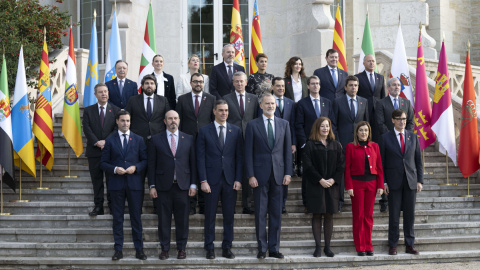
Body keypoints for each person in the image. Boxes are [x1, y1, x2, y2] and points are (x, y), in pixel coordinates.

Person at [244, 93, 292, 259]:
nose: (270, 106)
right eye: (267, 103)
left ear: (275, 105)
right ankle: (262, 248)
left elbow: (287, 151)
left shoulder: (284, 124)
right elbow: (248, 152)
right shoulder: (252, 125)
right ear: (261, 105)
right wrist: (250, 175)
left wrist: (288, 172)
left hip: (278, 176)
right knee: (260, 214)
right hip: (259, 176)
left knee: (276, 214)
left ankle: (274, 248)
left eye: (273, 103)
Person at [197, 100, 243, 260]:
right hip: (210, 181)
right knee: (209, 216)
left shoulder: (236, 131)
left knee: (229, 216)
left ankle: (227, 247)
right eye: (221, 110)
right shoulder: (204, 131)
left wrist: (238, 178)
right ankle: (209, 247)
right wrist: (203, 180)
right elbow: (200, 158)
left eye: (226, 110)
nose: (224, 113)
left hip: (230, 180)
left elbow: (239, 157)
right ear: (214, 111)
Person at [148, 110, 197, 260]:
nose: (173, 121)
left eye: (175, 118)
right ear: (165, 121)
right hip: (163, 187)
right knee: (163, 220)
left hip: (182, 186)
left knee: (183, 220)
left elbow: (193, 164)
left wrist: (193, 184)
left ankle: (181, 248)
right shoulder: (156, 139)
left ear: (179, 120)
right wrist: (152, 185)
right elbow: (151, 165)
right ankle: (165, 249)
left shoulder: (188, 139)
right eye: (170, 118)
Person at [100, 110, 147, 261]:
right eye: (122, 121)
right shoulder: (110, 140)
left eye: (127, 121)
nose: (125, 123)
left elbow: (145, 160)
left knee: (136, 218)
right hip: (116, 185)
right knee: (118, 218)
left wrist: (136, 168)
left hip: (134, 185)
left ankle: (139, 249)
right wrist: (114, 169)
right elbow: (103, 163)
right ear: (117, 122)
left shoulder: (139, 139)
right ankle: (118, 249)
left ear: (130, 122)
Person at [380, 109, 423, 256]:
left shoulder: (413, 137)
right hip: (393, 182)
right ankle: (393, 244)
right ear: (393, 120)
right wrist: (384, 182)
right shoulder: (385, 138)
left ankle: (409, 244)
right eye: (398, 119)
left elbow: (418, 161)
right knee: (394, 215)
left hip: (410, 182)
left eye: (404, 119)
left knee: (410, 215)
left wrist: (420, 180)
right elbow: (382, 163)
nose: (402, 121)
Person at [303, 117, 343, 257]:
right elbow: (307, 166)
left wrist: (332, 180)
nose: (325, 129)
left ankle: (327, 247)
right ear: (317, 128)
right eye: (322, 126)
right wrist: (320, 179)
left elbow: (341, 166)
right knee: (317, 214)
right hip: (316, 185)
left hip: (332, 186)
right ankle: (318, 247)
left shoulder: (336, 145)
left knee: (329, 215)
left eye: (327, 126)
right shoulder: (310, 145)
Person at [176, 72, 216, 215]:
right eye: (195, 81)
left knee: (204, 171)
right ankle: (191, 205)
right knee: (189, 171)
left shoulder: (211, 99)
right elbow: (178, 121)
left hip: (206, 141)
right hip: (187, 141)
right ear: (191, 83)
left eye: (200, 81)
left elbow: (214, 121)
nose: (198, 84)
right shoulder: (182, 99)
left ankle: (204, 205)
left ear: (203, 83)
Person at [344, 121, 384, 256]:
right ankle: (360, 246)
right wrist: (348, 186)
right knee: (359, 216)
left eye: (366, 130)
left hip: (372, 184)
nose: (363, 133)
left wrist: (380, 185)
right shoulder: (350, 147)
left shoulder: (375, 146)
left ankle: (368, 245)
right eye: (361, 130)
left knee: (368, 216)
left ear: (369, 132)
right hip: (356, 185)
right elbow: (347, 168)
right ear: (357, 132)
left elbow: (379, 167)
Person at [295, 75, 335, 209]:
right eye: (312, 84)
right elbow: (299, 125)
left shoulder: (327, 102)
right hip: (309, 145)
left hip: (325, 145)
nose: (315, 86)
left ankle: (325, 203)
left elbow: (332, 123)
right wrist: (304, 143)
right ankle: (307, 203)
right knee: (309, 174)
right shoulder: (302, 103)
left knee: (324, 173)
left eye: (317, 83)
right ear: (308, 86)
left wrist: (332, 141)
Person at [375, 77, 414, 212]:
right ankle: (385, 200)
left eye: (399, 85)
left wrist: (403, 135)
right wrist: (392, 137)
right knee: (387, 167)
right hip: (387, 143)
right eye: (394, 85)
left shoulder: (407, 103)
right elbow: (380, 123)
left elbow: (410, 122)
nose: (397, 87)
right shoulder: (381, 103)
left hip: (404, 143)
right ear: (388, 88)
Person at [259, 77, 296, 214]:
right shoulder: (265, 102)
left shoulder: (291, 103)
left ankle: (282, 204)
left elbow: (292, 124)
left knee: (282, 179)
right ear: (272, 87)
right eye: (278, 86)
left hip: (283, 144)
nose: (281, 88)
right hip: (266, 147)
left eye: (283, 86)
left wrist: (293, 142)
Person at [224, 71, 259, 214]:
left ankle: (247, 205)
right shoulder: (226, 98)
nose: (239, 83)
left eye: (241, 81)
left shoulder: (254, 98)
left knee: (247, 173)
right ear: (233, 83)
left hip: (250, 140)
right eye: (236, 81)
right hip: (231, 140)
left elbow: (256, 119)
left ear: (246, 82)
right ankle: (229, 205)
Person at [83, 83, 120, 216]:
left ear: (108, 93)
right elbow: (86, 129)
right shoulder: (88, 111)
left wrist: (106, 141)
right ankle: (98, 207)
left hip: (111, 152)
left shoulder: (116, 110)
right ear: (95, 94)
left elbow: (117, 129)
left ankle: (112, 206)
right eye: (100, 92)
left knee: (111, 180)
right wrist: (97, 142)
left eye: (105, 91)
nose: (104, 94)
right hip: (94, 151)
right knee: (97, 181)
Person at [333, 75, 369, 211]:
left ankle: (359, 201)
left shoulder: (363, 102)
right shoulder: (337, 102)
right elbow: (334, 124)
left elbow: (366, 123)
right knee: (342, 171)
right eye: (351, 85)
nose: (353, 88)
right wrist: (337, 142)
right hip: (343, 142)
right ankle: (340, 202)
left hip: (360, 145)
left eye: (355, 85)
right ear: (345, 87)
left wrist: (366, 142)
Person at [125, 74, 170, 141]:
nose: (149, 86)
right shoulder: (133, 100)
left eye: (152, 83)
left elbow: (167, 118)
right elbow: (127, 117)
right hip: (137, 137)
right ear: (142, 86)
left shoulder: (163, 100)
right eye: (147, 83)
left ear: (155, 86)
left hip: (158, 137)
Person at [355, 54, 385, 142]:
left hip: (377, 111)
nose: (371, 63)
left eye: (373, 61)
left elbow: (382, 95)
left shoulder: (381, 77)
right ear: (364, 63)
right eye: (369, 61)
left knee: (377, 135)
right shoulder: (358, 77)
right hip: (364, 110)